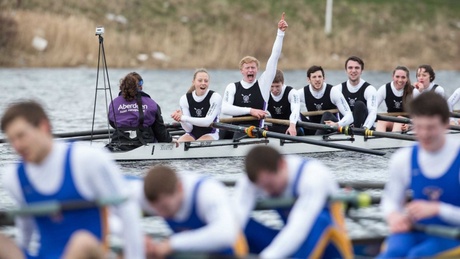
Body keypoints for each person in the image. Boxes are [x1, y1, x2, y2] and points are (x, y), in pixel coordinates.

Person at [0, 100, 143, 258]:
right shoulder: (13, 177)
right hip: (45, 255)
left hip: (89, 252)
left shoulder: (85, 159)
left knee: (80, 241)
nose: (17, 146)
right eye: (11, 140)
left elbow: (126, 210)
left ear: (43, 127)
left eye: (21, 136)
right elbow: (25, 229)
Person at [378, 92, 460, 258]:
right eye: (419, 127)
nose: (424, 134)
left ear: (445, 124)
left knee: (417, 255)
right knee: (392, 253)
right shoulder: (403, 158)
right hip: (415, 230)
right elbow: (390, 201)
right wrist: (394, 216)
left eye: (430, 128)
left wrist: (438, 209)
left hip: (453, 234)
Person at [233, 145, 353, 258]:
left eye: (270, 185)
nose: (267, 192)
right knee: (236, 226)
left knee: (322, 220)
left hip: (330, 249)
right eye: (262, 187)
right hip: (293, 247)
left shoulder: (313, 177)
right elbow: (234, 221)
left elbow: (298, 228)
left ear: (282, 165)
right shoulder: (253, 178)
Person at [128, 165, 247, 258]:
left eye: (165, 208)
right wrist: (138, 237)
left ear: (180, 188)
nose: (161, 215)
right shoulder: (143, 192)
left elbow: (226, 235)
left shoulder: (207, 192)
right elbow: (115, 189)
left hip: (229, 251)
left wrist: (173, 244)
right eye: (155, 209)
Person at [220, 13, 288, 139]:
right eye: (247, 68)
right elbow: (224, 108)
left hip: (255, 130)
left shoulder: (263, 84)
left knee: (238, 133)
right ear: (242, 70)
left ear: (257, 70)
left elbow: (274, 56)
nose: (250, 70)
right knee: (222, 131)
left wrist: (280, 33)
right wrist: (250, 111)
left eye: (253, 68)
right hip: (236, 128)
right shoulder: (232, 87)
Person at [107, 72, 173, 150]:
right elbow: (160, 130)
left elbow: (113, 123)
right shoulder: (151, 103)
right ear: (140, 86)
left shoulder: (114, 103)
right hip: (143, 144)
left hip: (118, 142)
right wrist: (170, 140)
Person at [298, 65, 353, 135]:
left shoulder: (333, 91)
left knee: (327, 115)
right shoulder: (302, 92)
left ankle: (315, 141)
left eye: (320, 76)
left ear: (324, 78)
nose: (317, 79)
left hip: (331, 128)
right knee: (294, 113)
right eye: (314, 77)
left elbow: (349, 117)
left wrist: (337, 124)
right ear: (308, 80)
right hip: (313, 129)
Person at [171, 69, 222, 141]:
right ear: (193, 82)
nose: (203, 83)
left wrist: (184, 118)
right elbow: (189, 129)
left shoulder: (215, 97)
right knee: (178, 145)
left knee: (197, 144)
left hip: (211, 133)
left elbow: (208, 122)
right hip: (192, 133)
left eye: (206, 81)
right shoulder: (184, 98)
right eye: (200, 80)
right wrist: (181, 120)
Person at [334, 56, 377, 129]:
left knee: (359, 104)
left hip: (363, 129)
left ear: (362, 70)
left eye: (357, 68)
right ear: (346, 70)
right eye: (350, 68)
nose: (353, 71)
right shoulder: (337, 89)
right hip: (345, 129)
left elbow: (372, 113)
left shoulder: (369, 89)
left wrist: (365, 128)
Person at [375, 66, 414, 132]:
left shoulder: (413, 91)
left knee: (399, 119)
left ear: (407, 79)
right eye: (397, 77)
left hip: (407, 123)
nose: (400, 80)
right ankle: (380, 142)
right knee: (381, 121)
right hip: (391, 121)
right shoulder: (384, 89)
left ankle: (393, 141)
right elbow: (372, 108)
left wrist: (410, 125)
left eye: (403, 77)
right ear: (393, 77)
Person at [267, 69, 300, 136]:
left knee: (298, 131)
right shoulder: (265, 93)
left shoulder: (292, 92)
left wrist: (292, 125)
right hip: (277, 127)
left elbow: (296, 110)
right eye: (272, 86)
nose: (275, 90)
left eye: (277, 86)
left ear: (282, 83)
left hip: (295, 125)